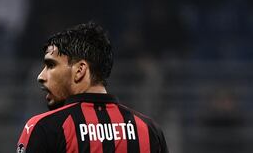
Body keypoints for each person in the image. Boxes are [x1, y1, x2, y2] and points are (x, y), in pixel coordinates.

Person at [17, 22, 169, 153]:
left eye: (51, 65)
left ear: (79, 70)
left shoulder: (43, 129)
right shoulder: (149, 130)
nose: (41, 76)